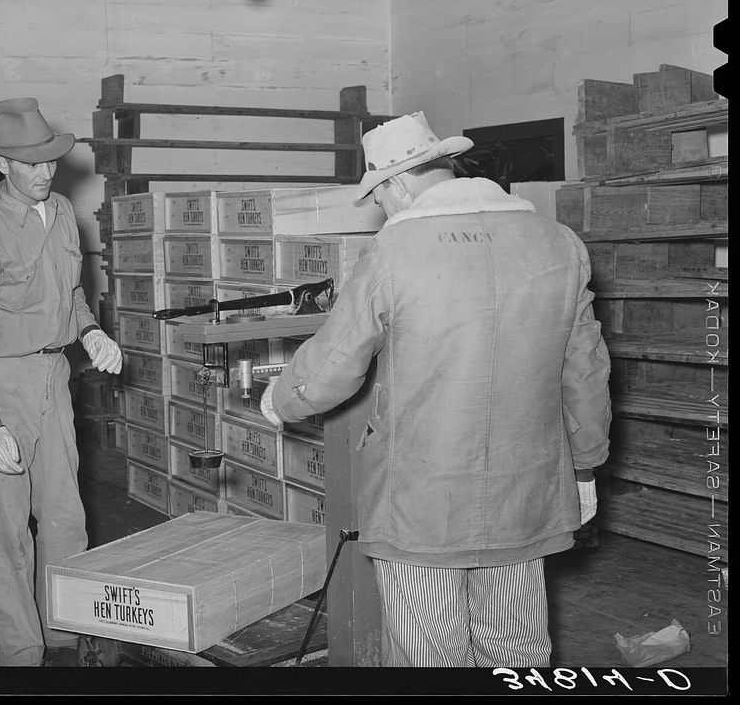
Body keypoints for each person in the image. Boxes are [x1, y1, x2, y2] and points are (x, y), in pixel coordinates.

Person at [260, 112, 611, 667]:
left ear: (396, 183)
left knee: (430, 647)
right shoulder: (559, 243)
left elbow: (333, 367)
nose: (384, 211)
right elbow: (586, 372)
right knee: (518, 646)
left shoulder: (393, 252)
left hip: (422, 498)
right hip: (527, 491)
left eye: (380, 198)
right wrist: (587, 465)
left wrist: (282, 399)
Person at [0, 97, 123, 667]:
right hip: (1, 384)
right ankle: (21, 653)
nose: (46, 172)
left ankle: (65, 629)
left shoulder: (64, 212)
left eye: (50, 160)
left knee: (66, 518)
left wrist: (91, 332)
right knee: (7, 532)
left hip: (53, 374)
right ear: (3, 165)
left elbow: (69, 294)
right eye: (31, 164)